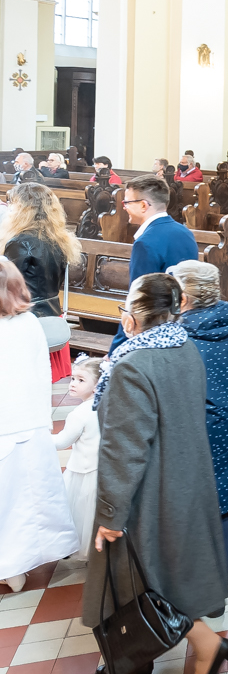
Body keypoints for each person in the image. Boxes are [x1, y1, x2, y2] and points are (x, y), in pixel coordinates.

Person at [87, 273, 228, 674]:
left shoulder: (132, 365)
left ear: (133, 318)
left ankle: (207, 645)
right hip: (184, 479)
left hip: (147, 490)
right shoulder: (184, 347)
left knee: (140, 575)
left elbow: (123, 449)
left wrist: (111, 513)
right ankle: (138, 655)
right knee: (167, 570)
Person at [0, 259, 78, 592]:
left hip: (5, 423)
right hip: (30, 420)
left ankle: (11, 567)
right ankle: (41, 553)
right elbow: (41, 371)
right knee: (35, 492)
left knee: (9, 500)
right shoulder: (29, 321)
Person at [171, 260, 228, 567]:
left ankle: (189, 578)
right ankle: (219, 575)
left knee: (184, 504)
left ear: (183, 298)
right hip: (226, 423)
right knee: (218, 503)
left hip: (190, 428)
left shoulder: (178, 338)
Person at [1, 182, 84, 381]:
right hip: (51, 314)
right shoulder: (57, 238)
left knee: (20, 380)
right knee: (40, 381)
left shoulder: (20, 241)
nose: (10, 209)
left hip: (26, 319)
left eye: (13, 204)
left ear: (24, 208)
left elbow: (8, 286)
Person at [109, 174, 200, 352]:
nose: (124, 207)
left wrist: (116, 349)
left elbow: (139, 300)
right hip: (183, 325)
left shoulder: (146, 242)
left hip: (153, 333)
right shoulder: (185, 233)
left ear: (144, 205)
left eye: (126, 202)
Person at [53, 355, 103, 560]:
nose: (72, 383)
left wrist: (40, 437)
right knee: (93, 514)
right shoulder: (107, 405)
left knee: (78, 512)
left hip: (81, 472)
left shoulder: (79, 413)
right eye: (73, 378)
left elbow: (61, 442)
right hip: (100, 469)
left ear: (97, 385)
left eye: (81, 380)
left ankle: (73, 546)